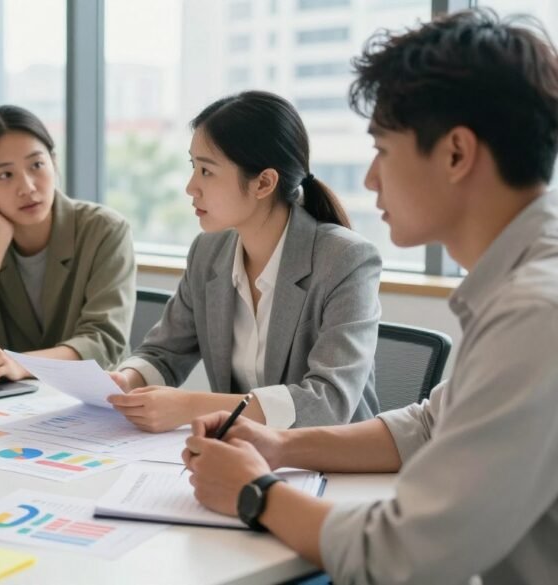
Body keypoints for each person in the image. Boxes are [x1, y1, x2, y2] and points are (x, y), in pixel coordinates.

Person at [182, 10, 558, 584]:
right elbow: (431, 424)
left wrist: (254, 493)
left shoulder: (536, 315)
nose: (370, 180)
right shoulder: (524, 285)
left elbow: (403, 555)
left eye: (383, 149)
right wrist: (279, 444)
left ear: (456, 153)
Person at [107, 91, 382, 433]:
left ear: (264, 183)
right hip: (245, 454)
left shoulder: (344, 260)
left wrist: (190, 406)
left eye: (207, 171)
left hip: (331, 465)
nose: (191, 187)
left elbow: (327, 401)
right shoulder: (208, 252)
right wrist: (127, 380)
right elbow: (164, 353)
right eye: (194, 166)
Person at [0, 105, 135, 384]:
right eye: (5, 175)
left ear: (54, 161)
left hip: (91, 398)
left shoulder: (104, 230)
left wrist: (21, 363)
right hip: (7, 406)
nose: (27, 187)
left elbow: (103, 341)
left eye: (37, 165)